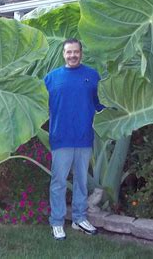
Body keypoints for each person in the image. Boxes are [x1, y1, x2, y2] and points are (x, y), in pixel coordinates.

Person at [44, 38, 104, 240]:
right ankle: (57, 222)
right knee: (59, 182)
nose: (72, 55)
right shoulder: (51, 78)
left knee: (81, 182)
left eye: (76, 52)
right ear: (63, 54)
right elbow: (39, 106)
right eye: (69, 52)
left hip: (84, 138)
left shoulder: (92, 76)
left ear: (81, 53)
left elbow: (100, 105)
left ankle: (79, 218)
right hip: (61, 138)